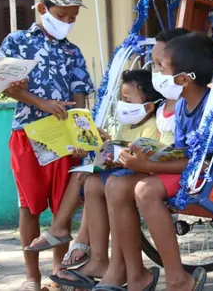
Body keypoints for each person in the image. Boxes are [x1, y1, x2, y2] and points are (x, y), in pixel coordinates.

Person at [96, 32, 213, 291]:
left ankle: (178, 279)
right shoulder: (183, 105)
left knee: (145, 189)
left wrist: (148, 167)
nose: (156, 73)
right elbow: (182, 152)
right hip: (184, 168)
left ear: (183, 79)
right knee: (115, 186)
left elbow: (197, 161)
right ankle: (135, 275)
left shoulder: (211, 106)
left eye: (161, 67)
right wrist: (143, 158)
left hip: (205, 174)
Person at [2, 0, 95, 291]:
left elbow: (81, 96)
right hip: (28, 134)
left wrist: (82, 137)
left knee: (61, 208)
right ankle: (32, 276)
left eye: (72, 17)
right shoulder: (16, 42)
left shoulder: (74, 52)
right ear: (42, 8)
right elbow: (7, 85)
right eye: (61, 15)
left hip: (65, 139)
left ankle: (59, 274)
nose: (67, 22)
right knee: (29, 206)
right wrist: (42, 103)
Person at [46, 69, 163, 289]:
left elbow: (143, 157)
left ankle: (71, 235)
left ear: (148, 106)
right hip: (121, 174)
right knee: (90, 181)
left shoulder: (151, 126)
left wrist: (115, 154)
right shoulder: (127, 125)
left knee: (108, 185)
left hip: (138, 177)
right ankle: (98, 259)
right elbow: (118, 150)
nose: (122, 104)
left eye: (127, 100)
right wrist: (105, 144)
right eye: (121, 99)